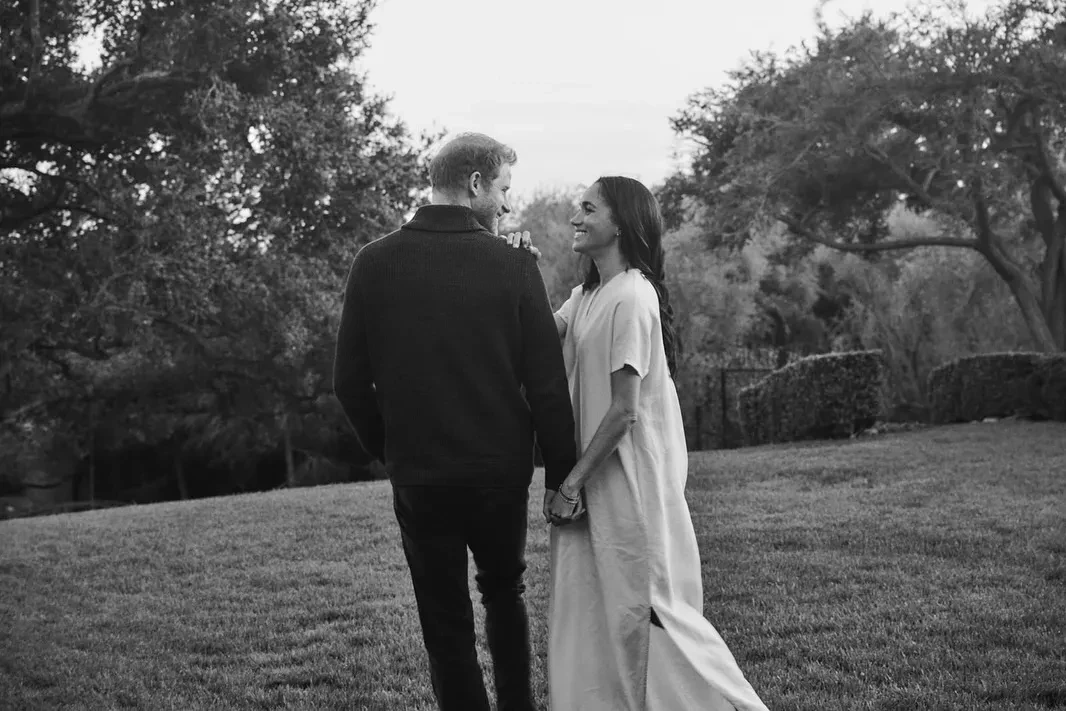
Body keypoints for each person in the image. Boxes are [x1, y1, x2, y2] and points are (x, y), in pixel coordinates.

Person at [333, 132, 578, 711]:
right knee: (504, 592)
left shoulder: (373, 262)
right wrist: (561, 474)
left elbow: (348, 383)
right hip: (500, 471)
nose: (508, 205)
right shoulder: (514, 265)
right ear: (474, 184)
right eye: (504, 190)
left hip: (419, 473)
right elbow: (547, 384)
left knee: (442, 616)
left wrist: (391, 450)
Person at [507, 176, 768, 710]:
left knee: (648, 609)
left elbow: (625, 411)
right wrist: (519, 269)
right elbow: (533, 335)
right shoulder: (588, 295)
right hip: (593, 478)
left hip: (629, 482)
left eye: (588, 208)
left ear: (621, 223)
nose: (575, 218)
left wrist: (570, 484)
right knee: (590, 603)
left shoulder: (631, 295)